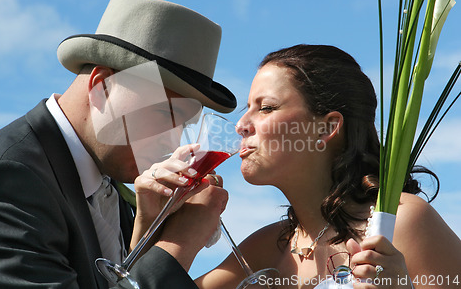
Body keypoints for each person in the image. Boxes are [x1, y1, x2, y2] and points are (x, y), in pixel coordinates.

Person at [0, 0, 235, 288]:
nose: (171, 144)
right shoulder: (5, 181)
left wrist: (148, 237)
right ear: (102, 86)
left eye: (181, 124)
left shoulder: (108, 184)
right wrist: (178, 243)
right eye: (161, 114)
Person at [195, 44, 461, 289]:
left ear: (327, 127)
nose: (241, 124)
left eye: (266, 108)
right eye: (248, 107)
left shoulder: (399, 221)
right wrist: (163, 217)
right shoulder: (266, 248)